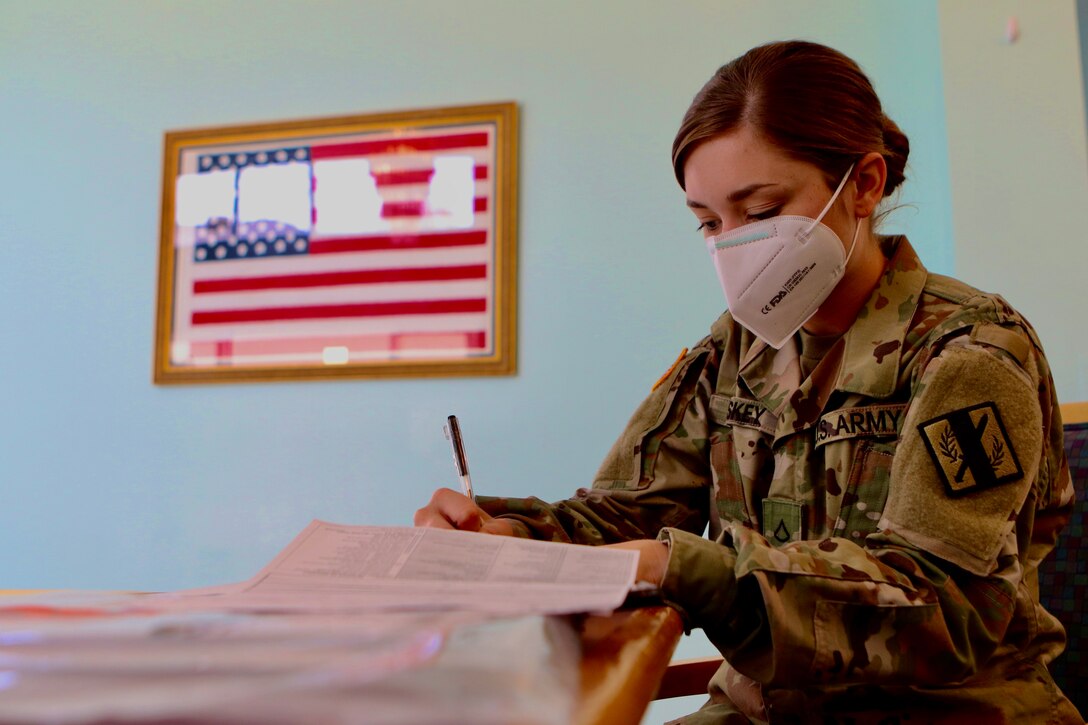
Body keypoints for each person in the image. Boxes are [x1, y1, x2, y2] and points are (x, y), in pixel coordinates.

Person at [415, 40, 1081, 724]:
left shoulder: (971, 354)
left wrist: (682, 569)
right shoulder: (733, 350)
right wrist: (508, 537)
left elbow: (946, 609)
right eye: (708, 222)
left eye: (760, 212)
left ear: (864, 184)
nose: (732, 244)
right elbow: (627, 517)